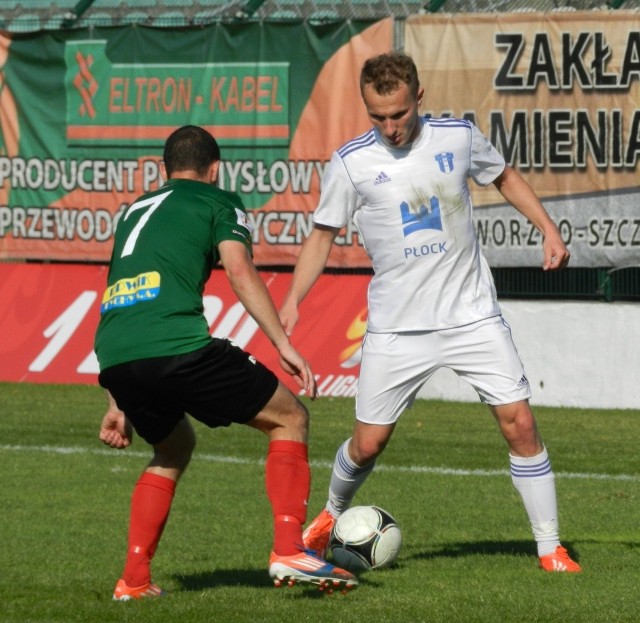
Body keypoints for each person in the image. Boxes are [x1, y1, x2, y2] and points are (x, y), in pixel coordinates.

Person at [279, 52, 581, 573]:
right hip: (397, 328)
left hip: (472, 316)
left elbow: (505, 177)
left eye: (399, 114)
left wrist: (548, 228)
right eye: (378, 117)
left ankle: (550, 547)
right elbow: (322, 236)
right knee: (369, 443)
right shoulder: (351, 163)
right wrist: (291, 301)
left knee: (520, 424)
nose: (390, 127)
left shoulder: (458, 137)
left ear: (418, 98)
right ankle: (330, 513)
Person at [94, 125, 358, 600]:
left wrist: (118, 398)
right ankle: (288, 550)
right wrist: (283, 344)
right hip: (176, 344)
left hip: (115, 353)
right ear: (214, 170)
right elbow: (238, 269)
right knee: (290, 417)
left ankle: (133, 581)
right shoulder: (218, 200)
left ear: (163, 169)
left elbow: (117, 293)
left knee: (172, 448)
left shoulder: (132, 212)